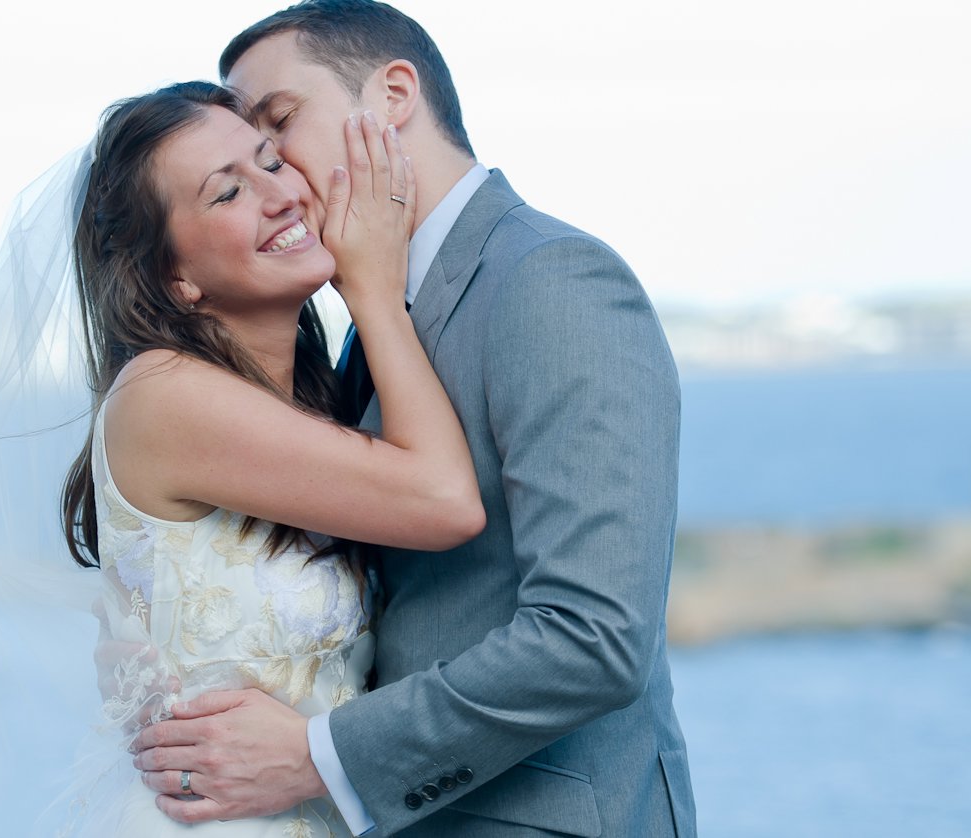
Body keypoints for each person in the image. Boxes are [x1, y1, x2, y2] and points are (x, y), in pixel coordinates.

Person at [130, 2, 698, 836]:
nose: (278, 171)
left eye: (279, 125)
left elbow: (595, 636)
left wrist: (318, 755)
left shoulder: (551, 281)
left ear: (394, 95)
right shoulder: (371, 315)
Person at [66, 79, 487, 836]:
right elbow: (445, 501)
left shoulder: (304, 405)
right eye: (227, 193)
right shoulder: (165, 395)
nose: (280, 194)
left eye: (270, 159)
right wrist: (374, 287)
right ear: (174, 277)